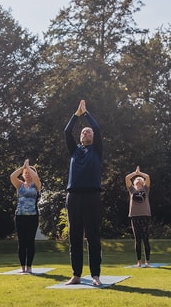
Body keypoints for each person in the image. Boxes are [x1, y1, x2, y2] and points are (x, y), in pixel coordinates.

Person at [63, 100, 103, 286]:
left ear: (93, 137)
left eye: (89, 131)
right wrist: (76, 115)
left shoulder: (96, 150)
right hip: (73, 196)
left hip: (92, 196)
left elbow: (97, 128)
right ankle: (76, 274)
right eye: (83, 131)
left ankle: (95, 275)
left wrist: (86, 114)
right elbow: (66, 132)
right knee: (75, 236)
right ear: (80, 138)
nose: (86, 131)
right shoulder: (74, 151)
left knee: (93, 236)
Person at [10, 159, 42, 274]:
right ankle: (22, 267)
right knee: (22, 242)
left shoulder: (37, 185)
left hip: (32, 217)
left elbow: (37, 178)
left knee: (30, 241)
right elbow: (12, 176)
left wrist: (29, 168)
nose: (28, 174)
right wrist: (23, 167)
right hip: (20, 216)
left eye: (29, 173)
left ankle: (29, 267)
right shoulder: (20, 185)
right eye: (26, 173)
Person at [125, 166, 152, 268]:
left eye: (140, 180)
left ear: (142, 182)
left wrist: (140, 173)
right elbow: (127, 178)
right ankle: (139, 261)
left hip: (145, 215)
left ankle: (147, 262)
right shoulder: (131, 190)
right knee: (137, 239)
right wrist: (135, 173)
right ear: (135, 183)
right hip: (134, 216)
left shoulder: (145, 189)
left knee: (145, 239)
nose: (139, 181)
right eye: (137, 181)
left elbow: (148, 177)